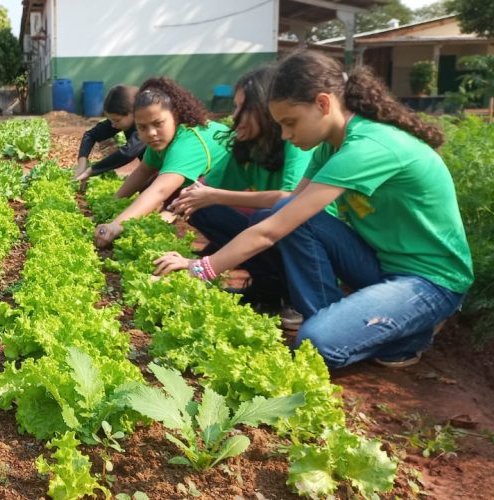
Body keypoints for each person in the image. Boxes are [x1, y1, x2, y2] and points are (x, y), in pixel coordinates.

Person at [153, 51, 473, 369]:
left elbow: (271, 233)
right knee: (282, 215)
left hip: (430, 281)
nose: (286, 135)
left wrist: (200, 268)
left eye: (290, 123)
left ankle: (411, 332)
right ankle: (336, 318)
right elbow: (285, 213)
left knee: (317, 346)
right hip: (379, 265)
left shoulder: (367, 147)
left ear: (323, 103)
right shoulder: (330, 147)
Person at [168, 67, 322, 317]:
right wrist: (169, 212)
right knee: (202, 209)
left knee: (267, 213)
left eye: (242, 108)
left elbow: (291, 200)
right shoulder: (248, 145)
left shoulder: (296, 143)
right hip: (270, 231)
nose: (234, 116)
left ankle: (293, 297)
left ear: (265, 108)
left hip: (306, 240)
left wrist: (216, 196)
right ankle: (268, 290)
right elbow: (204, 188)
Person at [94, 77, 232, 248]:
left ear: (175, 116)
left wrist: (116, 225)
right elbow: (143, 171)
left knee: (194, 204)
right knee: (154, 184)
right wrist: (112, 203)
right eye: (142, 127)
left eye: (158, 123)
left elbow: (160, 191)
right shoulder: (161, 140)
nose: (151, 133)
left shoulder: (187, 143)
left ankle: (228, 247)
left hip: (246, 191)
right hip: (216, 184)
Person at [72, 84, 146, 181]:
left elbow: (128, 152)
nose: (113, 125)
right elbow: (90, 135)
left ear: (133, 112)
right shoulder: (122, 121)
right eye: (111, 120)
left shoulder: (145, 125)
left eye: (117, 120)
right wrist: (82, 163)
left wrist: (91, 170)